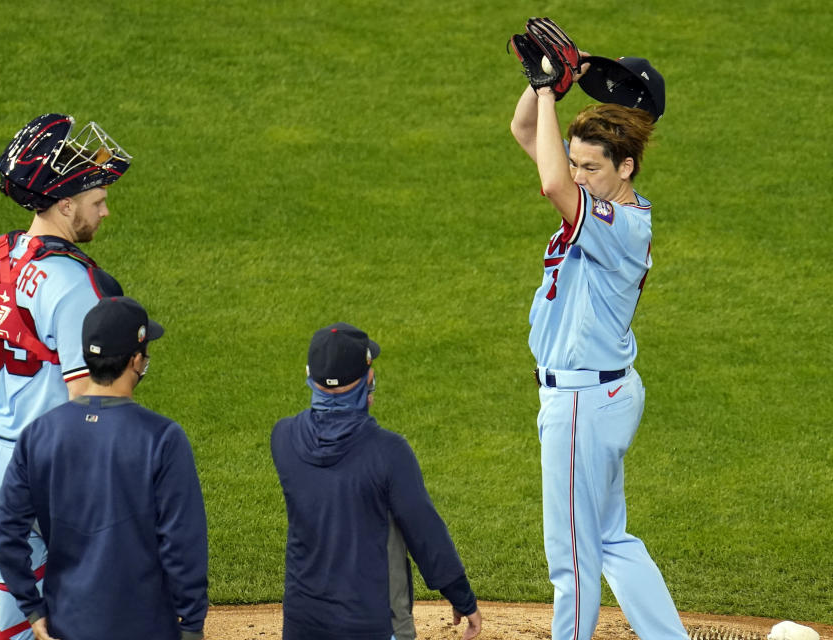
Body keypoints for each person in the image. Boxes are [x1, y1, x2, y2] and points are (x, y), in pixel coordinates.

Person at [509, 32, 690, 640]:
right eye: (578, 162)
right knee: (610, 537)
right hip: (600, 392)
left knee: (573, 554)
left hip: (584, 402)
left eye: (593, 167)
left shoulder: (619, 225)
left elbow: (552, 184)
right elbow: (527, 136)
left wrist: (550, 90)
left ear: (626, 168)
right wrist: (543, 89)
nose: (579, 175)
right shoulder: (606, 197)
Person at [0, 113, 131, 639]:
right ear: (64, 204)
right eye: (97, 201)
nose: (105, 211)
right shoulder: (74, 284)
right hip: (49, 470)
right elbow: (89, 398)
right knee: (100, 600)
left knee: (18, 604)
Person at [0, 296, 209, 640]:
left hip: (68, 624)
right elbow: (183, 542)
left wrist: (32, 607)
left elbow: (6, 528)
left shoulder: (39, 434)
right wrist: (192, 623)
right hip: (146, 627)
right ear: (136, 360)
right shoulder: (163, 438)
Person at [270, 322, 482, 640]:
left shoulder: (283, 438)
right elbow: (424, 530)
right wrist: (460, 594)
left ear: (310, 377)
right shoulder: (388, 452)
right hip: (370, 623)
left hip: (302, 622)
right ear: (367, 380)